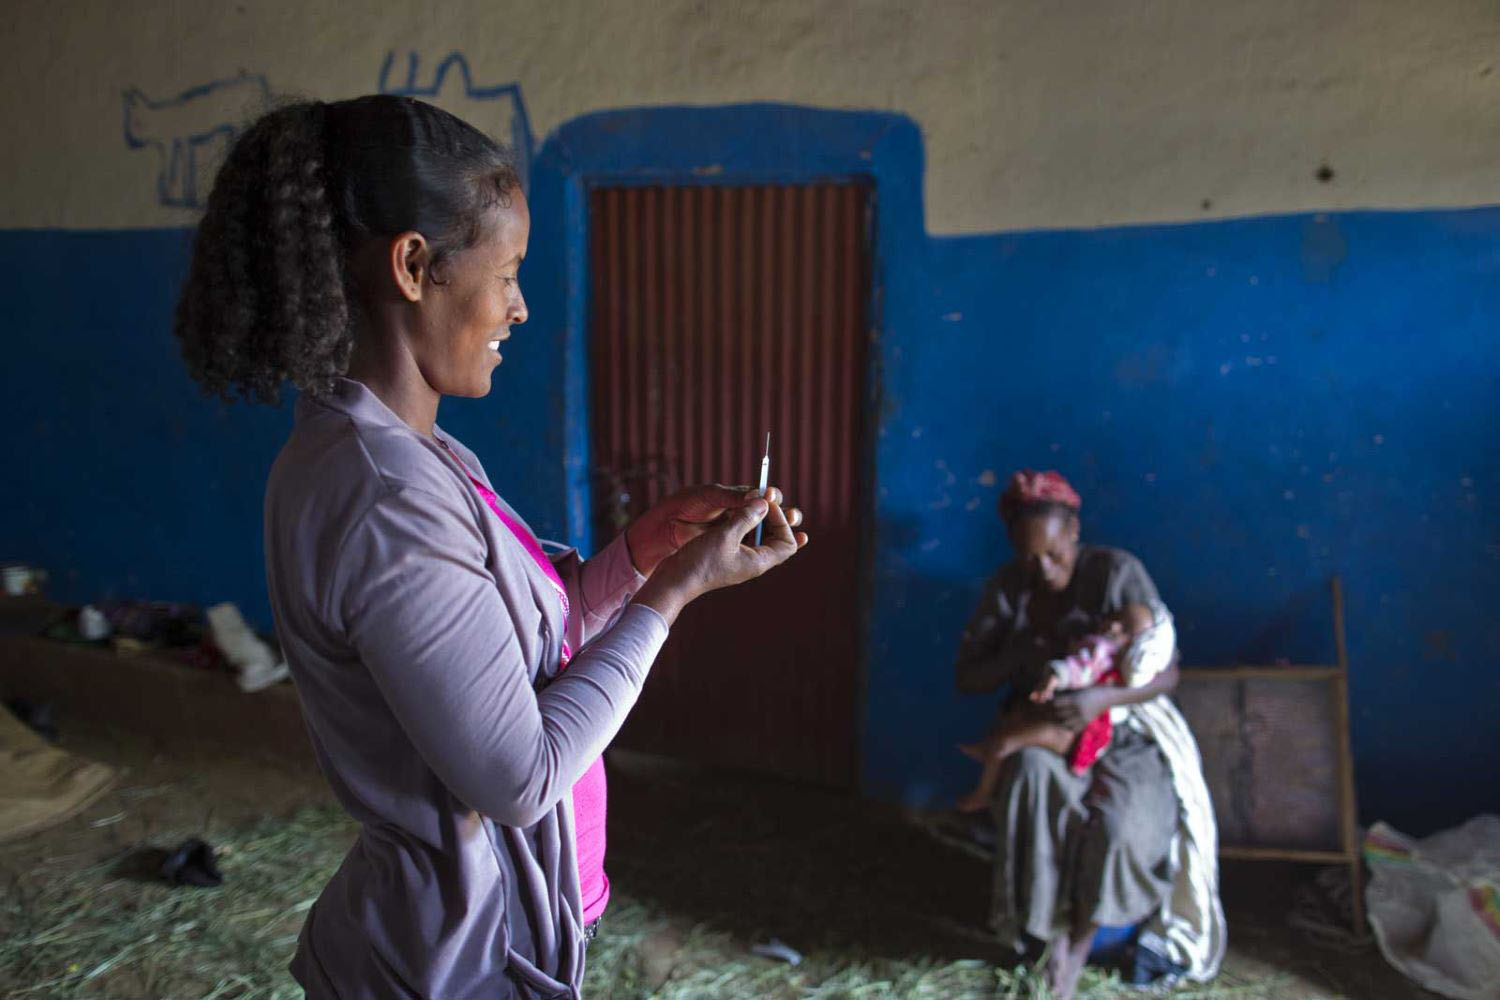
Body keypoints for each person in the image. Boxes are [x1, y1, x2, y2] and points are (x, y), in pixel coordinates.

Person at [173, 94, 808, 998]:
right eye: (507, 272)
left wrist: (636, 557)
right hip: (458, 963)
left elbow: (515, 651)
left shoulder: (418, 455)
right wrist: (671, 594)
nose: (518, 309)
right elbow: (521, 775)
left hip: (502, 927)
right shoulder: (385, 498)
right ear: (414, 265)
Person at [954, 470, 1224, 998]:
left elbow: (1165, 671)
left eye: (1054, 555)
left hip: (1122, 726)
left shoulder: (1117, 573)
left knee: (1124, 821)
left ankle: (1084, 938)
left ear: (1074, 531)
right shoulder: (1010, 589)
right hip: (1048, 725)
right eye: (1031, 559)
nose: (1045, 571)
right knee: (1029, 775)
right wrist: (1024, 650)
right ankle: (1035, 931)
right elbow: (968, 677)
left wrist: (1103, 697)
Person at [954, 600, 1164, 813]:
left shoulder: (1102, 655)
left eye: (1125, 630)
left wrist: (1055, 677)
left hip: (1074, 733)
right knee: (1013, 723)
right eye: (1116, 618)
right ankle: (989, 759)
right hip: (1070, 724)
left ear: (1136, 647)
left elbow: (1077, 670)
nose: (1114, 627)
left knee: (1004, 743)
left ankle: (982, 794)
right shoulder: (1103, 655)